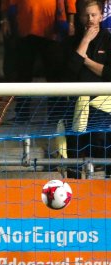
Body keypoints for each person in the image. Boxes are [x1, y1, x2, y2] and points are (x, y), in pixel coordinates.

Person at [65, 0, 111, 178]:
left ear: (101, 16)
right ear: (80, 17)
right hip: (77, 107)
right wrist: (84, 41)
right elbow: (70, 71)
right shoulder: (71, 42)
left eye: (94, 15)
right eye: (87, 15)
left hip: (103, 107)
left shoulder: (108, 41)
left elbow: (109, 73)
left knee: (104, 149)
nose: (90, 19)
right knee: (75, 153)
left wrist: (84, 60)